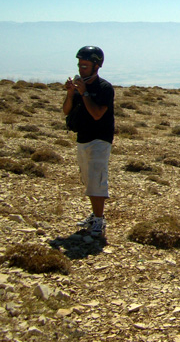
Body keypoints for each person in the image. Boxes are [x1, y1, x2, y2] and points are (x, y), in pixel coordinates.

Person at [63, 46, 115, 237]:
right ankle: (94, 215)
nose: (80, 69)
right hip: (83, 137)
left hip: (100, 138)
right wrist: (71, 94)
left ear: (96, 66)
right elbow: (66, 111)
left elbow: (97, 114)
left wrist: (84, 93)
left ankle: (99, 221)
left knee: (96, 178)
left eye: (85, 66)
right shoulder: (78, 87)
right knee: (88, 178)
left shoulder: (104, 88)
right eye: (79, 65)